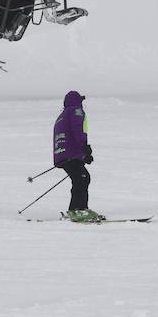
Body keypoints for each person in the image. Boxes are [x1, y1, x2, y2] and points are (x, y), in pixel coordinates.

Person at [53, 90, 102, 222]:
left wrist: (82, 156)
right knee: (81, 179)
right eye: (80, 101)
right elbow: (77, 130)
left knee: (82, 178)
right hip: (71, 154)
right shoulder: (75, 111)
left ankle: (81, 209)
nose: (82, 104)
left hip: (63, 154)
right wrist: (84, 148)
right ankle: (76, 210)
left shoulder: (62, 115)